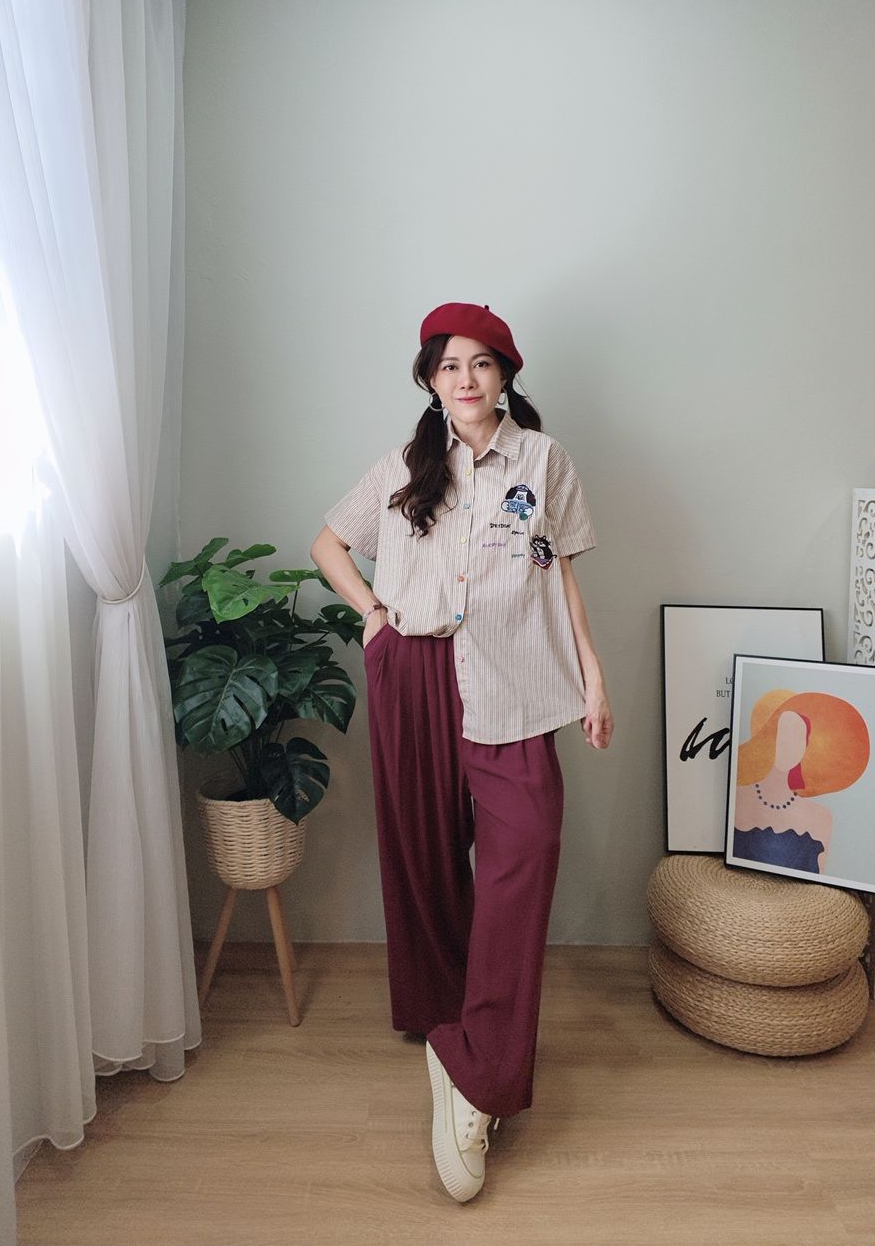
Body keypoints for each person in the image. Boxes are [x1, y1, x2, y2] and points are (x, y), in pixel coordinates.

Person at [310, 301, 613, 1203]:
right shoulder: (406, 465)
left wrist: (594, 677)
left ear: (506, 374)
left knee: (528, 849)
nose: (466, 378)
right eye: (449, 365)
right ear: (431, 380)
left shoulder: (544, 460)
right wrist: (373, 614)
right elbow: (328, 542)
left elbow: (562, 574)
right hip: (415, 671)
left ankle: (473, 1070)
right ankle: (444, 1018)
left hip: (516, 681)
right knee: (428, 857)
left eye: (482, 362)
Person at [732, 689, 870, 874]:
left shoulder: (821, 818)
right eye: (784, 734)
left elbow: (818, 878)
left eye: (798, 737)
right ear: (767, 738)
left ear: (806, 746)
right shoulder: (738, 797)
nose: (790, 746)